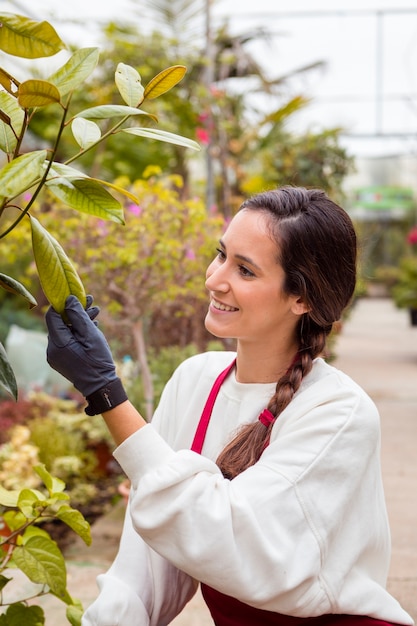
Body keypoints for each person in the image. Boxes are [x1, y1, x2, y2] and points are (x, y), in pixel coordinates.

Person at [45, 186, 414, 626]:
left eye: (245, 270)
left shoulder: (339, 413)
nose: (214, 279)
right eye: (221, 255)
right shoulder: (194, 381)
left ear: (302, 299)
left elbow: (229, 537)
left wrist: (107, 394)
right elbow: (146, 568)